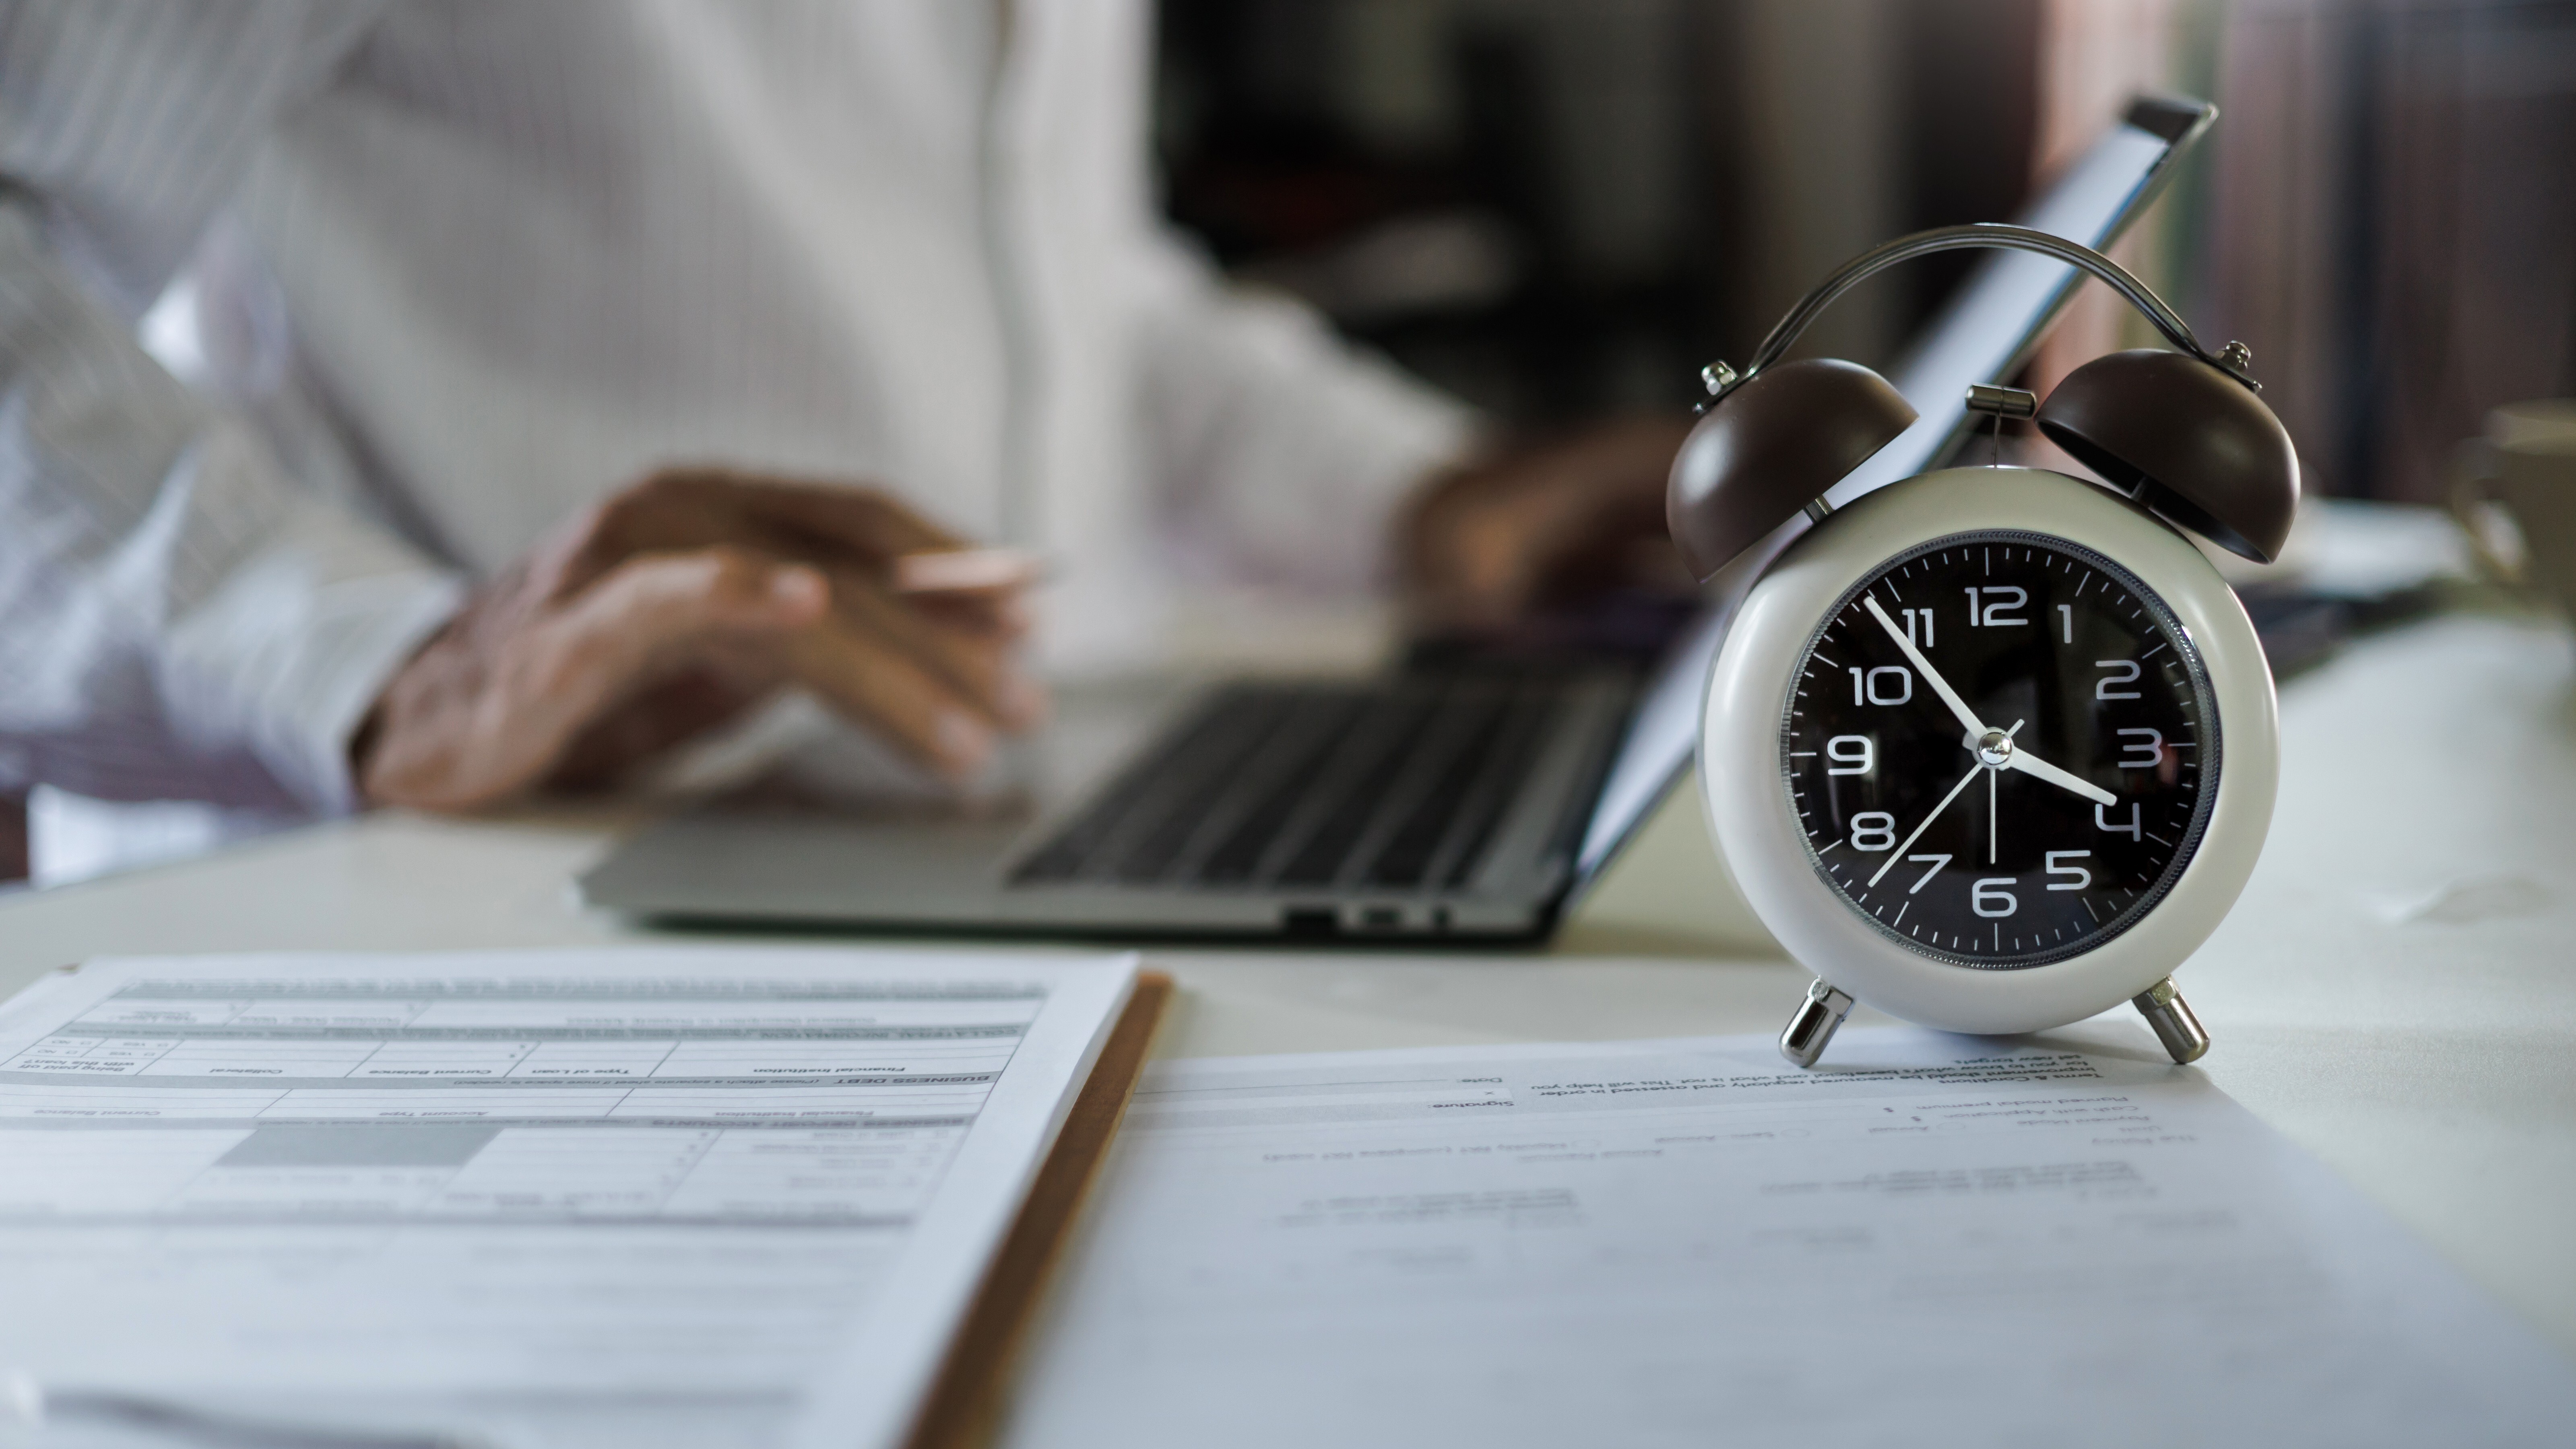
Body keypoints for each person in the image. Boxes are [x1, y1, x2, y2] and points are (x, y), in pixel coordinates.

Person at [0, 0, 1684, 871]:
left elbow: (1065, 270)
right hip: (443, 929)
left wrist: (1420, 494)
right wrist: (341, 655)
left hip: (1005, 840)